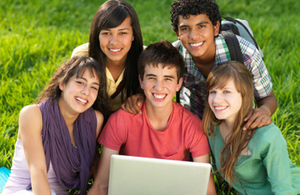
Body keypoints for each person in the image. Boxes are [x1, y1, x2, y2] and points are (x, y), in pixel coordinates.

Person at [121, 0, 277, 131]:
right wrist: (141, 96)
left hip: (237, 124)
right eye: (185, 29)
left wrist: (264, 110)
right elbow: (157, 80)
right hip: (197, 125)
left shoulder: (245, 54)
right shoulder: (175, 57)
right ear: (177, 32)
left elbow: (267, 98)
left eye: (201, 26)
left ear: (215, 27)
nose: (194, 36)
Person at [88, 40, 217, 195]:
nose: (159, 86)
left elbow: (207, 190)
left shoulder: (192, 125)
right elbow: (101, 185)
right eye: (151, 78)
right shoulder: (121, 120)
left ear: (178, 84)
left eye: (167, 79)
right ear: (141, 81)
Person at [2, 56, 110, 195]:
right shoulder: (33, 114)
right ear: (62, 84)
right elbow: (38, 172)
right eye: (80, 82)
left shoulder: (94, 120)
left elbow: (90, 165)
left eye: (93, 87)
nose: (86, 92)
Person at [202, 61, 300, 194]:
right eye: (213, 92)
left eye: (226, 91)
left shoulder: (268, 136)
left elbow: (285, 190)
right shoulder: (212, 129)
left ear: (245, 95)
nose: (216, 100)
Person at [72, 0, 143, 112]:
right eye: (106, 33)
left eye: (123, 33)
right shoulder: (82, 56)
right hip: (90, 122)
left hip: (128, 123)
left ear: (133, 35)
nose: (114, 42)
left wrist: (143, 97)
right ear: (97, 35)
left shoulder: (146, 59)